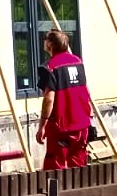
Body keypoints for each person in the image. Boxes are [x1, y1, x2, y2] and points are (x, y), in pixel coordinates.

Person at [36, 29, 94, 170]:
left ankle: (57, 186)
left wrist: (42, 126)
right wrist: (90, 115)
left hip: (61, 126)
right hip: (81, 123)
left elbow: (49, 99)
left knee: (55, 165)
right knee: (78, 164)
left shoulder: (50, 67)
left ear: (49, 44)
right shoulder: (78, 62)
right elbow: (85, 90)